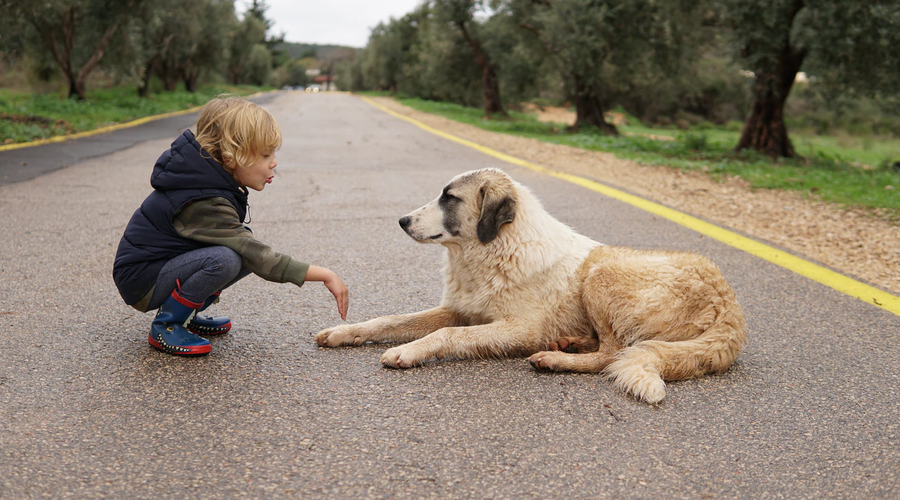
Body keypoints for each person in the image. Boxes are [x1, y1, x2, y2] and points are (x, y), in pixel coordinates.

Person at [113, 95, 348, 356]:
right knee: (229, 257)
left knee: (242, 251)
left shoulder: (209, 183)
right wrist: (325, 274)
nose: (274, 162)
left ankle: (186, 314)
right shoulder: (203, 199)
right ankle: (168, 325)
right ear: (231, 155)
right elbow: (258, 255)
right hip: (142, 281)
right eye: (265, 155)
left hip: (159, 269)